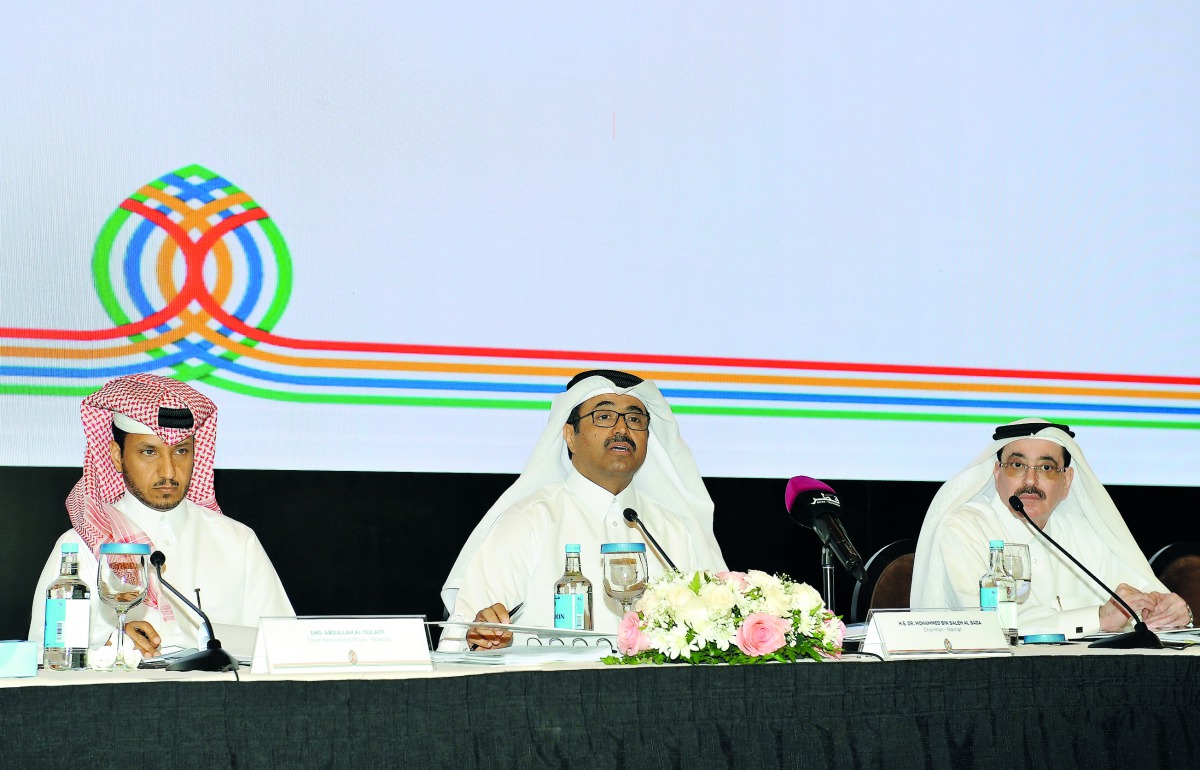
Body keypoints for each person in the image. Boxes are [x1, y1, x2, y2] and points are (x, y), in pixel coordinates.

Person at [440, 369, 728, 650]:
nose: (622, 429)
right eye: (604, 417)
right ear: (570, 435)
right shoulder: (529, 519)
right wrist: (478, 634)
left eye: (635, 419)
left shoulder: (674, 529)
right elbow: (463, 637)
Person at [28, 374, 293, 658]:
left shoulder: (238, 541)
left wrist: (192, 637)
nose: (168, 471)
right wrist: (111, 645)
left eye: (180, 451)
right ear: (117, 456)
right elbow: (43, 659)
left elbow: (287, 646)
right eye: (149, 452)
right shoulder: (78, 548)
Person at [911, 418, 1192, 636]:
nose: (1030, 480)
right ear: (997, 474)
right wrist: (1098, 618)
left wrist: (1173, 611)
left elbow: (1147, 597)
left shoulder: (1088, 534)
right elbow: (990, 622)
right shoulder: (964, 528)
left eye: (1046, 468)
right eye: (1017, 465)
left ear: (1067, 481)